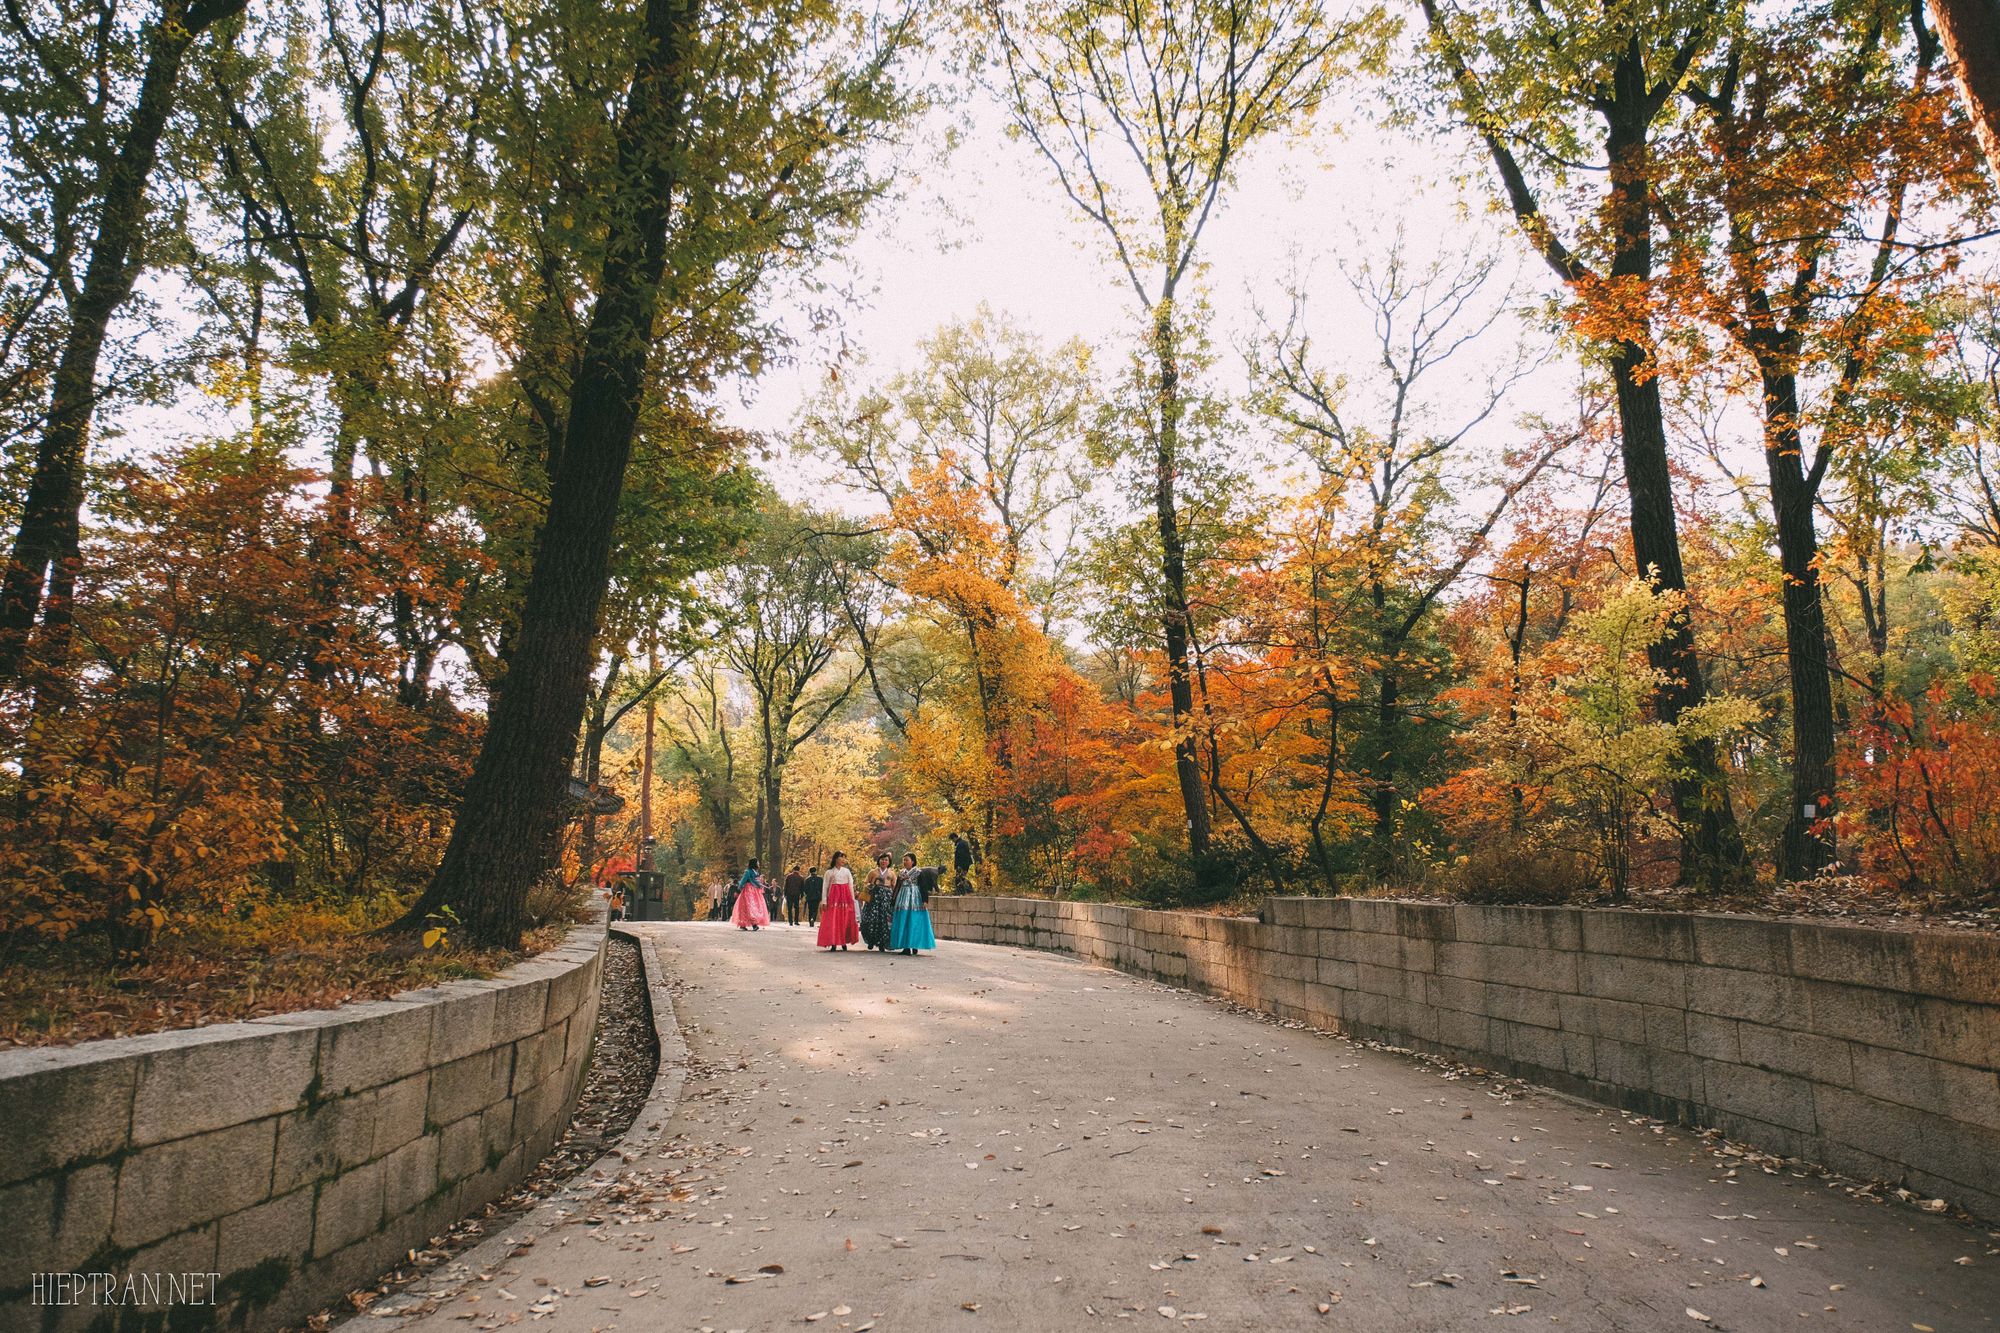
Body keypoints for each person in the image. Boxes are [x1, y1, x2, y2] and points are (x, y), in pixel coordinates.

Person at [890, 852, 937, 955]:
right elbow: (897, 887)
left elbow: (923, 887)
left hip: (915, 898)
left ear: (913, 861)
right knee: (904, 920)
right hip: (903, 898)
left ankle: (915, 945)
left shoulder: (918, 872)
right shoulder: (901, 873)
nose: (904, 862)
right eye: (904, 860)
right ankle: (906, 947)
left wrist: (925, 900)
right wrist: (893, 900)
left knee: (915, 921)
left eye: (907, 860)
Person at [816, 852, 860, 950]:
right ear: (836, 858)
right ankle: (833, 942)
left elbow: (850, 885)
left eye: (845, 858)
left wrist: (852, 900)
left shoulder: (847, 871)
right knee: (834, 920)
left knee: (845, 919)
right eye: (841, 857)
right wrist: (824, 901)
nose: (843, 860)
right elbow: (825, 887)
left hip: (845, 897)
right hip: (833, 897)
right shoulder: (829, 872)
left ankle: (843, 941)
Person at [861, 852, 896, 950]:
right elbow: (866, 882)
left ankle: (882, 943)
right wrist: (869, 886)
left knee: (884, 920)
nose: (884, 861)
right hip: (874, 897)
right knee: (871, 918)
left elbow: (894, 886)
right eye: (882, 859)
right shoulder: (872, 872)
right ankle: (871, 940)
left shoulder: (892, 873)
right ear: (879, 860)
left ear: (889, 862)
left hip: (886, 898)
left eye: (886, 860)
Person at [731, 859, 771, 931]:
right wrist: (738, 890)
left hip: (755, 891)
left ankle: (745, 924)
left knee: (753, 907)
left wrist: (764, 887)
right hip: (748, 892)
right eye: (757, 862)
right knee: (750, 907)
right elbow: (743, 881)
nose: (758, 863)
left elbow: (757, 882)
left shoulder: (755, 872)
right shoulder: (748, 872)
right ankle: (753, 924)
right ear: (754, 863)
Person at [951, 830, 976, 894]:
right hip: (965, 864)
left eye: (952, 839)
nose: (952, 841)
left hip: (962, 865)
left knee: (958, 879)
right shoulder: (963, 842)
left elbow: (961, 856)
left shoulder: (960, 844)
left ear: (954, 837)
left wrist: (959, 866)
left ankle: (966, 891)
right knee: (961, 878)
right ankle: (966, 891)